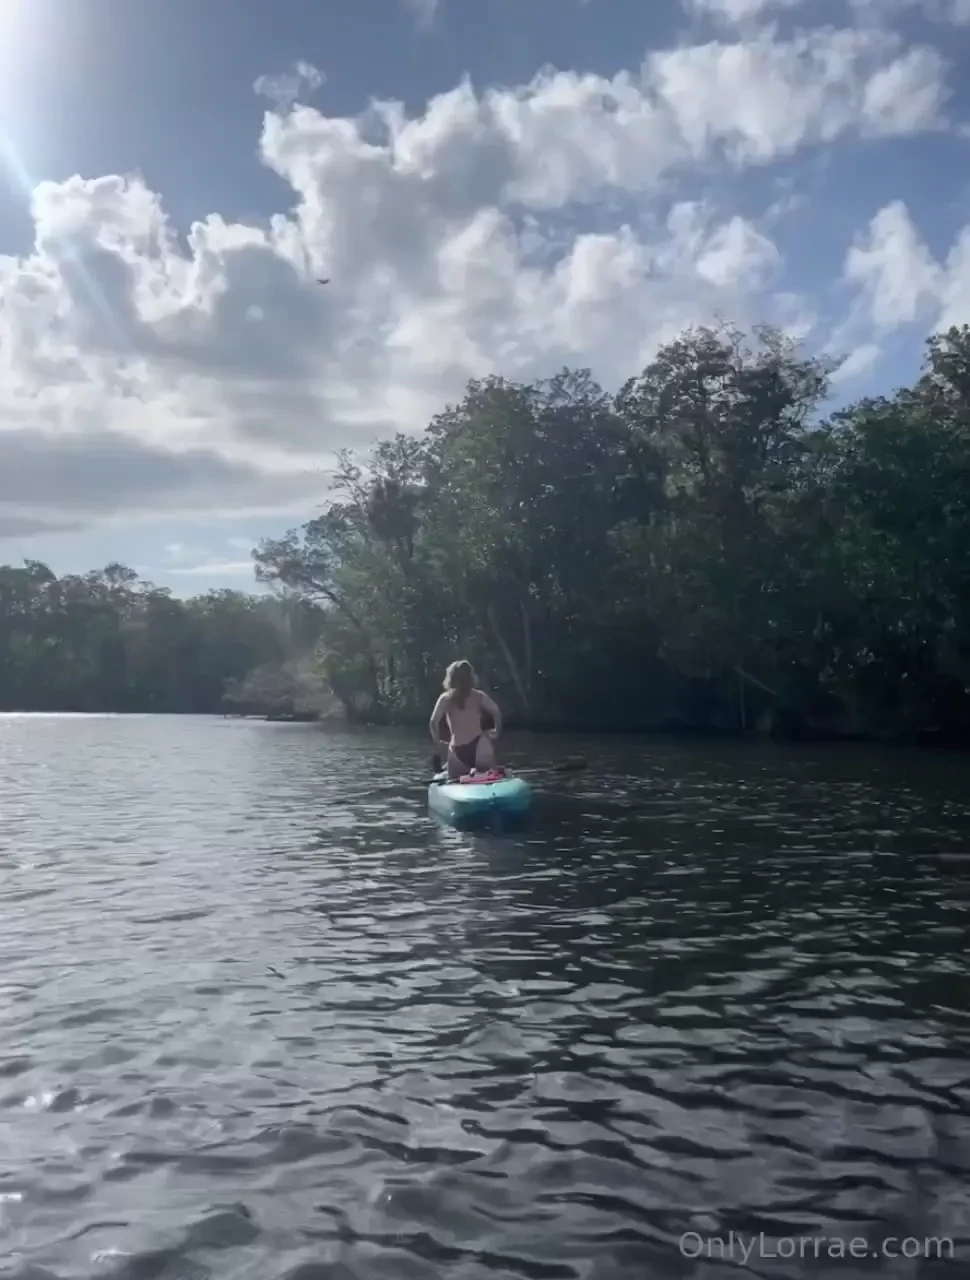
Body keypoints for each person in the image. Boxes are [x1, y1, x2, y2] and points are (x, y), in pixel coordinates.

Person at [429, 660, 503, 779]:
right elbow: (496, 713)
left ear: (451, 678)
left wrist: (438, 743)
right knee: (491, 776)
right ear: (471, 677)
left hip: (456, 752)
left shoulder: (445, 699)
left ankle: (464, 774)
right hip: (480, 747)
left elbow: (433, 722)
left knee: (453, 780)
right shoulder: (479, 696)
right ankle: (481, 775)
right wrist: (496, 731)